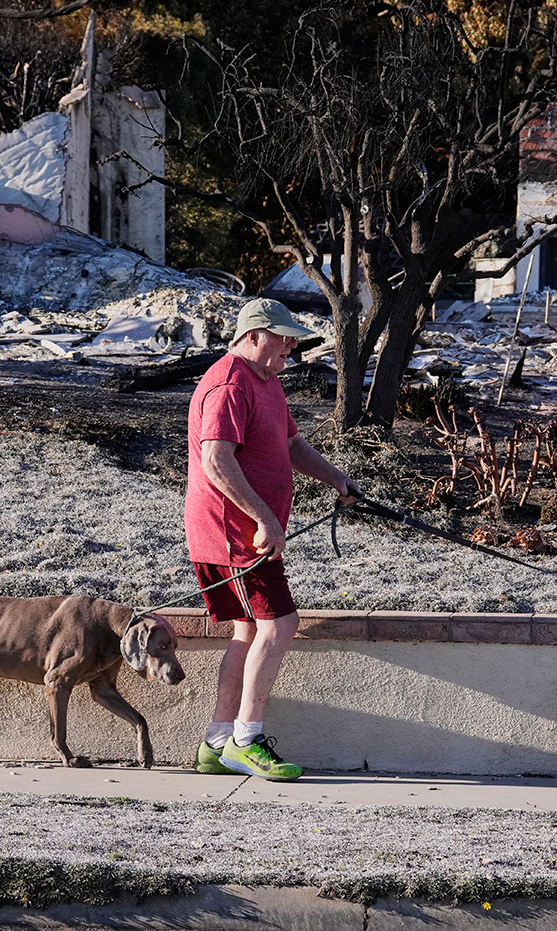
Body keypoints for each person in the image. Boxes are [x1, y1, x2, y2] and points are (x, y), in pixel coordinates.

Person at [186, 297, 357, 781]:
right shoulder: (228, 384)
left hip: (249, 533)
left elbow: (290, 444)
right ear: (254, 335)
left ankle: (217, 743)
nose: (291, 346)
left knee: (249, 630)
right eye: (283, 338)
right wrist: (263, 518)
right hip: (233, 534)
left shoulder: (266, 381)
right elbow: (216, 460)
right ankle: (246, 741)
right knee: (281, 624)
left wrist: (336, 479)